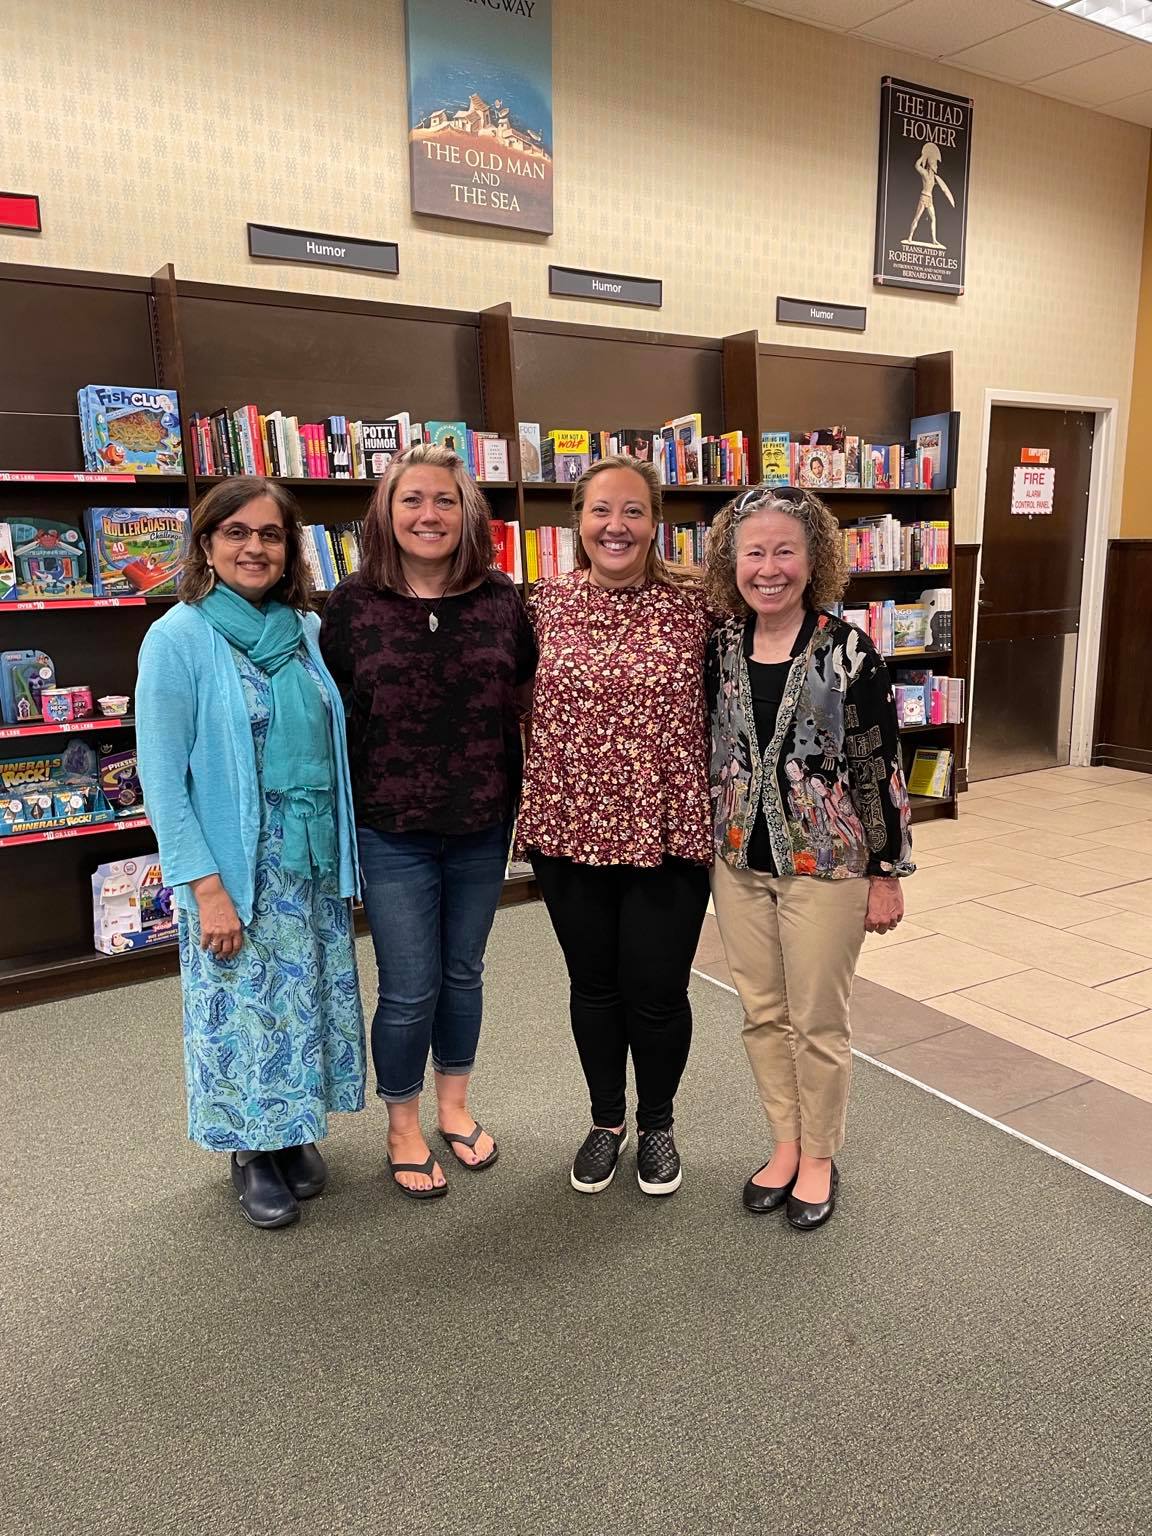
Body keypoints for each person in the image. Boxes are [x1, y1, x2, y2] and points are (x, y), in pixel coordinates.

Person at [136, 477, 365, 1231]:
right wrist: (206, 889)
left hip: (307, 862)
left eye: (270, 534)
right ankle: (249, 1150)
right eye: (236, 532)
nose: (254, 548)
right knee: (241, 1011)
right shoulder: (177, 639)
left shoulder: (305, 629)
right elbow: (162, 782)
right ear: (206, 545)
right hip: (235, 868)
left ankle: (292, 1128)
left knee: (300, 1003)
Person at [319, 444, 536, 1200]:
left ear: (468, 513)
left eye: (445, 499)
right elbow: (331, 714)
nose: (428, 514)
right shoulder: (351, 605)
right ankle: (402, 1124)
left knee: (463, 973)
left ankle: (455, 1106)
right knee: (409, 986)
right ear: (386, 512)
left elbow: (525, 697)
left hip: (482, 822)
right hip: (391, 827)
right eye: (411, 499)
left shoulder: (502, 599)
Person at [705, 484, 914, 1231]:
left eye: (784, 552)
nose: (768, 569)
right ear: (731, 562)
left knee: (818, 1021)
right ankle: (785, 1144)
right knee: (763, 1014)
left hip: (828, 868)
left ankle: (821, 1156)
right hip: (737, 863)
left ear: (814, 558)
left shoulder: (850, 652)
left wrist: (886, 873)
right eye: (753, 553)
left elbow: (877, 765)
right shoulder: (719, 648)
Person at [518, 455, 712, 1198]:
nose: (616, 525)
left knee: (657, 991)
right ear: (578, 521)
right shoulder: (542, 605)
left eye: (633, 510)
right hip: (570, 827)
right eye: (601, 510)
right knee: (594, 987)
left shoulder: (699, 607)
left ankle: (658, 1122)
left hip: (669, 827)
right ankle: (606, 1122)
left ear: (656, 522)